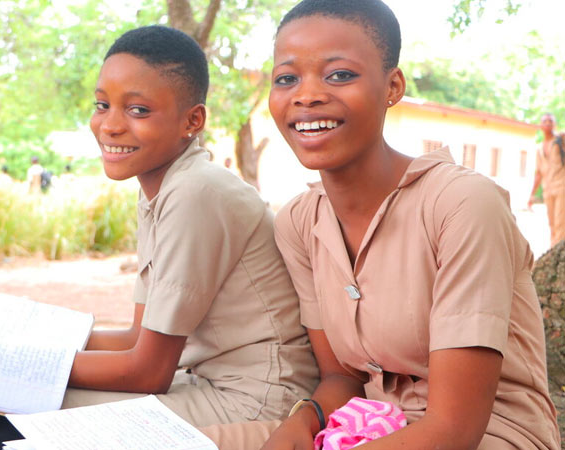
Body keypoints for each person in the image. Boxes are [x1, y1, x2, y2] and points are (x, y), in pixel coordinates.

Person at [0, 25, 318, 449]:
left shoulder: (197, 192)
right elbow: (136, 337)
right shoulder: (161, 188)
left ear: (192, 120)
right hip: (204, 381)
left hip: (257, 399)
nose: (110, 125)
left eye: (138, 110)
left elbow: (147, 371)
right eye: (102, 105)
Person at [202, 1, 560, 449]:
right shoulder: (299, 222)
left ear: (392, 86)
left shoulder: (462, 204)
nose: (306, 95)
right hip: (366, 425)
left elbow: (453, 431)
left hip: (488, 435)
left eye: (339, 75)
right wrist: (303, 421)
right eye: (287, 78)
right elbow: (341, 376)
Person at [528, 113, 565, 247]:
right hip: (547, 190)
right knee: (552, 224)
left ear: (554, 124)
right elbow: (538, 173)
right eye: (545, 121)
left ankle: (557, 258)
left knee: (561, 223)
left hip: (562, 187)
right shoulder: (539, 149)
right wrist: (531, 195)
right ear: (541, 125)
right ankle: (554, 252)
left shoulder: (561, 141)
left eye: (551, 121)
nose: (548, 123)